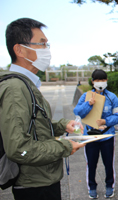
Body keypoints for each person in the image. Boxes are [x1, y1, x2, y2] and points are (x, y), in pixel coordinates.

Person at [0, 18, 85, 200]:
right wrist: (64, 146)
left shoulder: (26, 84)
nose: (47, 50)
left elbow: (34, 127)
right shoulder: (16, 88)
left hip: (42, 178)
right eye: (42, 44)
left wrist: (63, 125)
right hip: (34, 185)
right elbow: (18, 148)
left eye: (47, 44)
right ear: (19, 49)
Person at [73, 69, 118, 199]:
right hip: (91, 136)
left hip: (107, 136)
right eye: (97, 80)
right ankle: (92, 187)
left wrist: (106, 121)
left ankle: (109, 186)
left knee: (108, 163)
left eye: (103, 80)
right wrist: (88, 104)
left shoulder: (112, 97)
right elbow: (78, 112)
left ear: (106, 81)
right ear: (92, 81)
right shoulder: (86, 96)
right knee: (91, 163)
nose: (100, 82)